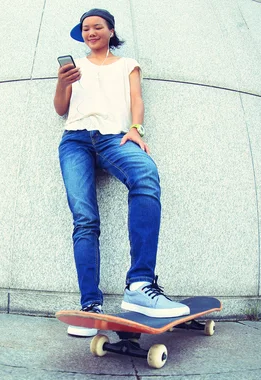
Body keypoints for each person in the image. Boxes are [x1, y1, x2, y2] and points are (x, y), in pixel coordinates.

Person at [54, 9, 190, 337]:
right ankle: (91, 306)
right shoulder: (75, 67)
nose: (90, 32)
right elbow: (61, 109)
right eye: (85, 28)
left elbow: (136, 100)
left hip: (115, 139)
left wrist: (136, 129)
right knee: (85, 219)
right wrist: (62, 84)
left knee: (145, 175)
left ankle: (140, 286)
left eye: (97, 26)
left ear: (110, 30)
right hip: (75, 141)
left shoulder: (128, 64)